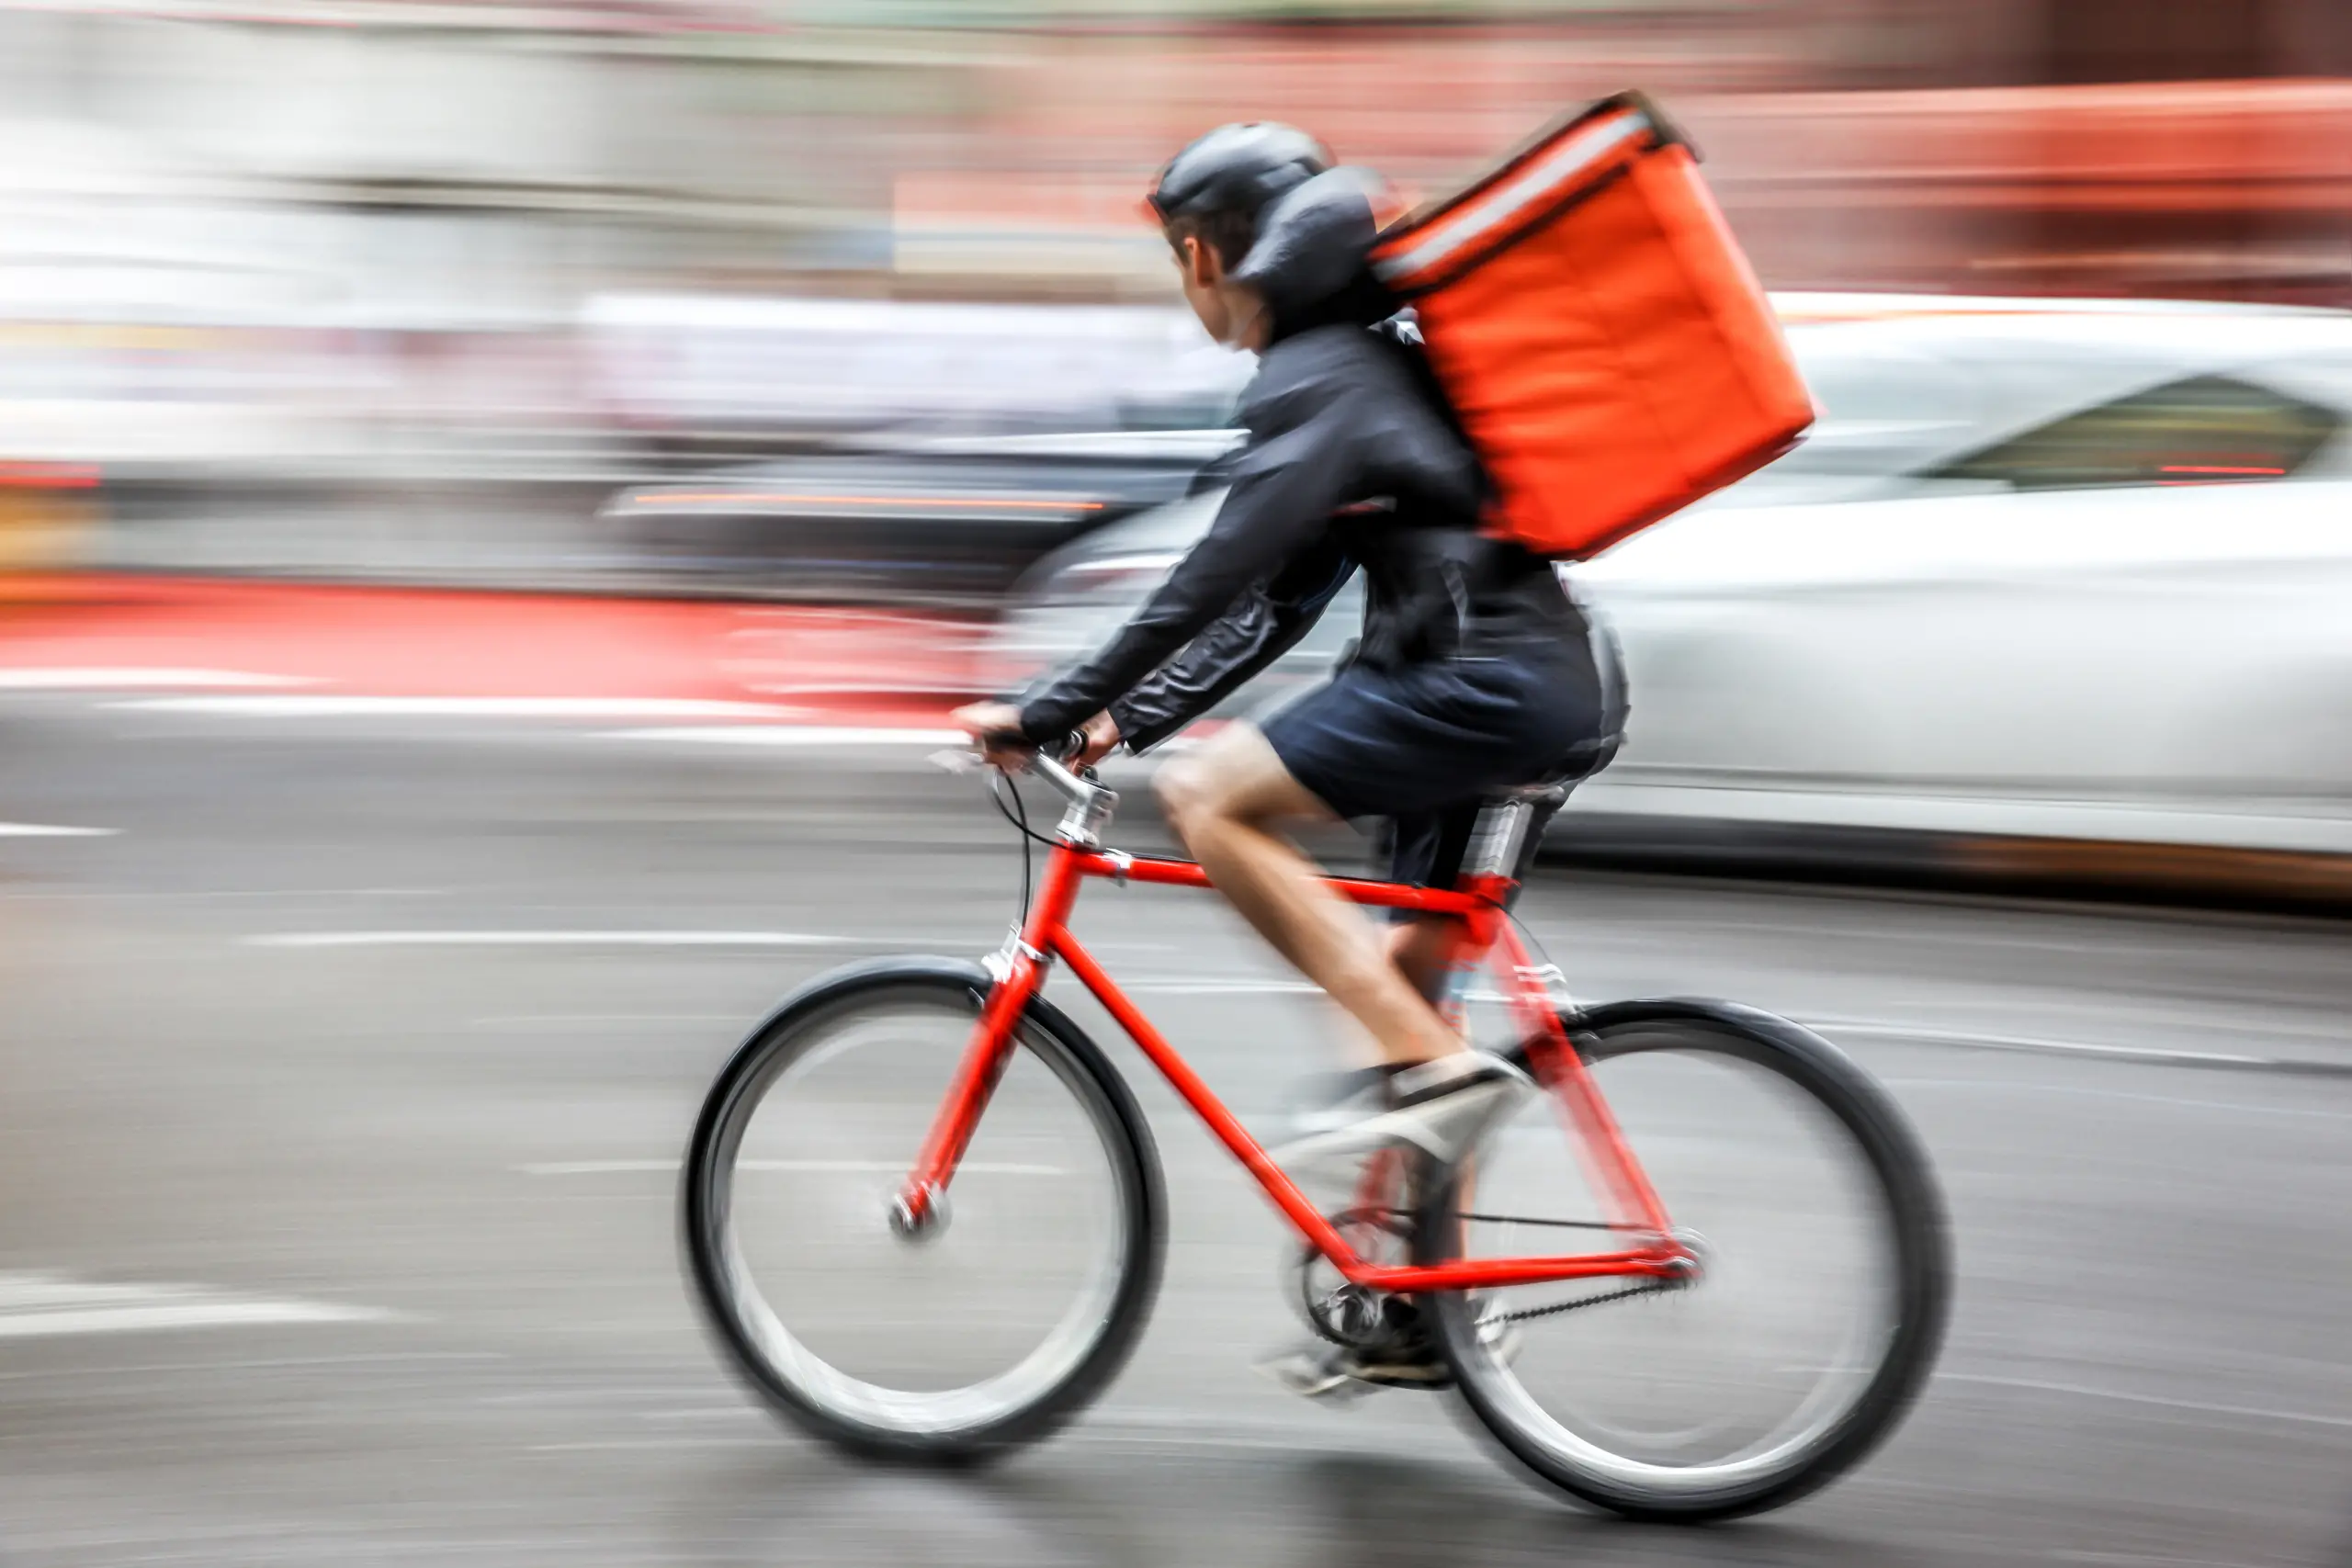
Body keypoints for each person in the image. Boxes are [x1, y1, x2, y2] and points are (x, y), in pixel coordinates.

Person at [952, 123, 1621, 1394]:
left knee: (1216, 803)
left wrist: (1045, 706)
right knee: (1405, 984)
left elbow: (1221, 566)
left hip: (1477, 683)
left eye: (1179, 262)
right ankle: (1428, 1307)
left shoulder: (1316, 376)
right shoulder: (1369, 361)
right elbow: (1282, 598)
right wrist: (1121, 714)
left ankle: (1438, 1077)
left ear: (1201, 255)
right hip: (1535, 683)